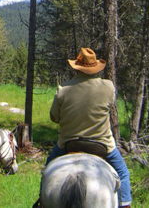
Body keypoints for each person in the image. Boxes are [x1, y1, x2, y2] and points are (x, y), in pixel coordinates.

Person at [45, 47, 132, 208]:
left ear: (77, 67)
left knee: (47, 170)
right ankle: (125, 204)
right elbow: (108, 106)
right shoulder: (108, 87)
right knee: (123, 173)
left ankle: (42, 202)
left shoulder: (63, 89)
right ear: (95, 67)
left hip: (68, 143)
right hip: (102, 144)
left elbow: (54, 117)